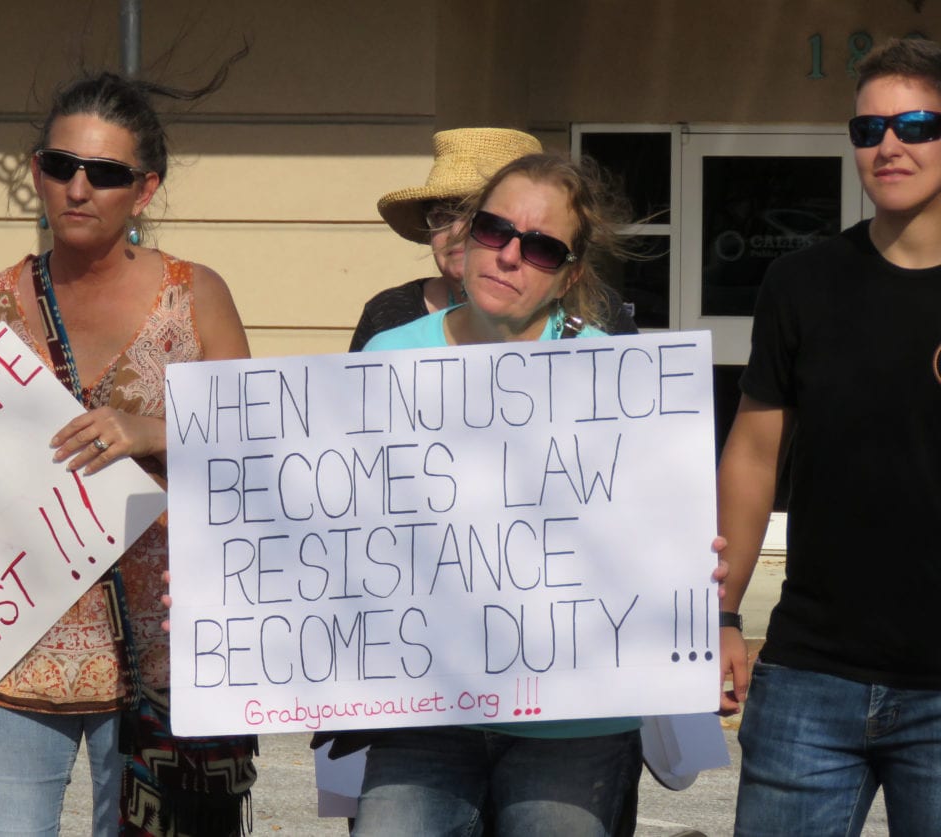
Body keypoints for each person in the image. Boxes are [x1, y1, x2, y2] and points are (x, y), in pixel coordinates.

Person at [0, 70, 253, 837]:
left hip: (164, 658)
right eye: (59, 165)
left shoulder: (194, 296)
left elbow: (258, 454)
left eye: (105, 173)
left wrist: (154, 431)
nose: (78, 186)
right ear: (36, 171)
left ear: (144, 189)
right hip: (5, 656)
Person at [350, 151, 717, 837]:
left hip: (576, 716)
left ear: (570, 274)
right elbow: (336, 521)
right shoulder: (388, 356)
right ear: (467, 236)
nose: (510, 255)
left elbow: (653, 530)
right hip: (426, 708)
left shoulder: (617, 375)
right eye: (494, 229)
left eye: (542, 246)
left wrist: (689, 562)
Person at [717, 37, 941, 835]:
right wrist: (723, 614)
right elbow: (752, 451)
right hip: (810, 673)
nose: (889, 145)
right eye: (869, 128)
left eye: (916, 124)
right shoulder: (802, 282)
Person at [349, 127, 544, 351]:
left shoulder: (577, 332)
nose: (455, 232)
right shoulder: (388, 315)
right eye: (442, 216)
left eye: (477, 218)